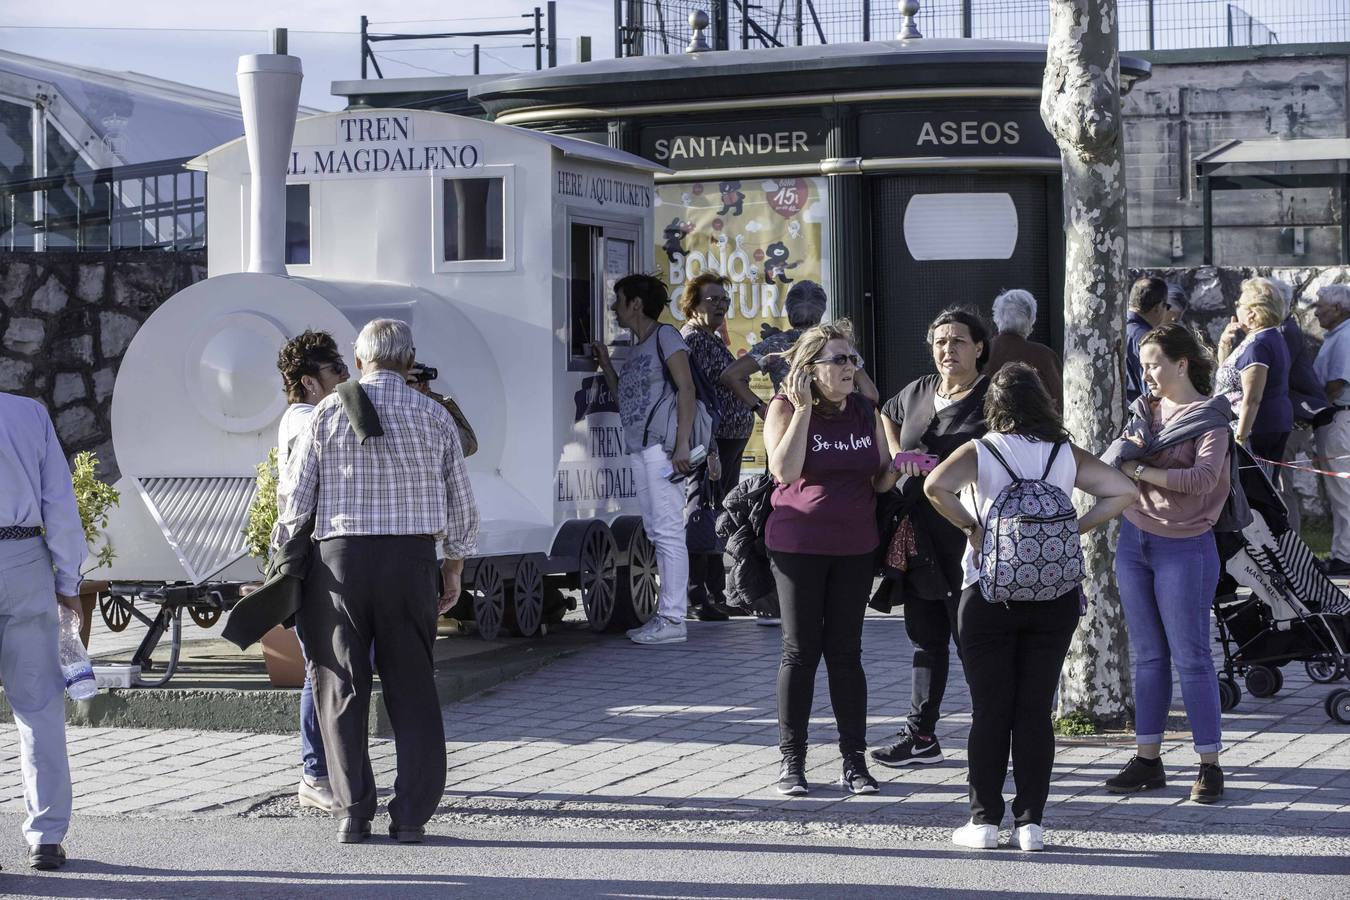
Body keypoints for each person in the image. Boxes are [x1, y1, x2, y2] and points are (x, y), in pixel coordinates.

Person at [275, 318, 479, 844]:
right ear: (409, 361)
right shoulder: (435, 417)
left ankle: (352, 811)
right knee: (412, 687)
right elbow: (463, 505)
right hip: (412, 561)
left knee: (340, 685)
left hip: (340, 564)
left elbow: (295, 503)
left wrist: (284, 561)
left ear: (360, 359)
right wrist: (453, 566)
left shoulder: (324, 413)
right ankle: (411, 815)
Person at [924, 363, 1135, 851]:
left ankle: (983, 822)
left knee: (990, 708)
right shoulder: (1064, 453)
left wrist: (972, 528)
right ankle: (1031, 825)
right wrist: (1074, 528)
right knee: (1035, 708)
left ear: (993, 407)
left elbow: (935, 486)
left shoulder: (982, 450)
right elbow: (1124, 491)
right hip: (1055, 594)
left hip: (988, 591)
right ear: (1043, 402)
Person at [762, 320, 901, 795]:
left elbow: (880, 476)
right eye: (838, 360)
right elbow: (783, 471)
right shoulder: (784, 408)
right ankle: (792, 761)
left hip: (855, 545)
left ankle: (854, 762)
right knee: (800, 652)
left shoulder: (864, 410)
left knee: (846, 654)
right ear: (810, 370)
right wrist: (801, 410)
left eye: (852, 359)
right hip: (797, 545)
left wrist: (900, 469)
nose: (849, 368)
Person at [1104, 323, 1233, 805]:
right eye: (1143, 365)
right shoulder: (1145, 412)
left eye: (1155, 363)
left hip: (1186, 546)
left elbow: (1200, 481)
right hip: (1135, 540)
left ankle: (1209, 764)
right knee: (1150, 657)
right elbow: (1116, 460)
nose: (1148, 373)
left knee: (1193, 658)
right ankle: (1148, 760)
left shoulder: (1212, 419)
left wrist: (1138, 470)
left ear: (1181, 364)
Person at [872, 307, 990, 769]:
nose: (948, 350)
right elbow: (886, 411)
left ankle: (995, 730)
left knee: (974, 641)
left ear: (979, 347)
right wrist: (900, 453)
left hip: (969, 533)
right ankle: (921, 734)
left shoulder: (991, 394)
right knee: (926, 640)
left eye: (958, 341)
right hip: (918, 537)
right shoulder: (920, 390)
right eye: (940, 341)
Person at [0, 390, 85, 870]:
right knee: (37, 706)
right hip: (23, 560)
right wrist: (69, 581)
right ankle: (46, 837)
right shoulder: (28, 413)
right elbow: (60, 501)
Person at [592, 274, 696, 645]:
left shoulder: (666, 337)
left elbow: (687, 388)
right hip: (642, 449)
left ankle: (672, 618)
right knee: (657, 531)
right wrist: (606, 364)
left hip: (662, 450)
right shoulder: (638, 349)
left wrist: (682, 444)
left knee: (667, 532)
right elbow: (628, 403)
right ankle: (667, 615)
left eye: (619, 300)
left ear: (635, 304)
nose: (614, 308)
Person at [272, 330, 349, 814]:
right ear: (309, 382)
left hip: (318, 555)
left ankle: (325, 768)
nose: (346, 376)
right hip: (311, 557)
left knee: (327, 664)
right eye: (336, 370)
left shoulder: (310, 415)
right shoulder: (306, 419)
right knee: (319, 667)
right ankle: (314, 773)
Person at [679, 272, 754, 621]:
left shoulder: (711, 338)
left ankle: (715, 592)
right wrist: (706, 447)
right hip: (713, 441)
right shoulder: (693, 340)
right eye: (713, 299)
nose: (721, 305)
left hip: (729, 438)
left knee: (717, 513)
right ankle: (699, 595)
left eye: (724, 300)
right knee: (704, 512)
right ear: (692, 304)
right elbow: (696, 395)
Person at [719, 280, 879, 417]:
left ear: (789, 313)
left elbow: (730, 375)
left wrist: (763, 409)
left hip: (787, 426)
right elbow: (871, 395)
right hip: (833, 431)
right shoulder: (837, 344)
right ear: (822, 312)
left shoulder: (774, 344)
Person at [1216, 279, 1293, 473]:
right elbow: (1225, 370)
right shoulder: (1266, 337)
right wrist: (1225, 344)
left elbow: (1252, 398)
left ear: (1252, 312)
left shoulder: (1259, 345)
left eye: (1240, 305)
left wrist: (1240, 438)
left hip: (1257, 429)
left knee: (1256, 490)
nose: (1237, 308)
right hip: (1265, 424)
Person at [1312, 284, 1350, 575]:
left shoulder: (1345, 336)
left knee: (1343, 491)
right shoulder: (1337, 335)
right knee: (1339, 491)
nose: (1316, 311)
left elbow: (1336, 383)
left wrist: (1314, 410)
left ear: (1337, 309)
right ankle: (1341, 551)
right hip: (1335, 419)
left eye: (1321, 305)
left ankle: (1345, 556)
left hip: (1339, 418)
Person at [984, 288, 1062, 408]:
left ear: (997, 318)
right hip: (1035, 425)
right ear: (1031, 319)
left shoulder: (980, 352)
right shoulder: (1044, 355)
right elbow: (1060, 402)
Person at [1126, 276, 1169, 404]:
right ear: (1158, 307)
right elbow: (1153, 394)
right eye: (1166, 306)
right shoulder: (1148, 340)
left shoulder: (1114, 329)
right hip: (1140, 415)